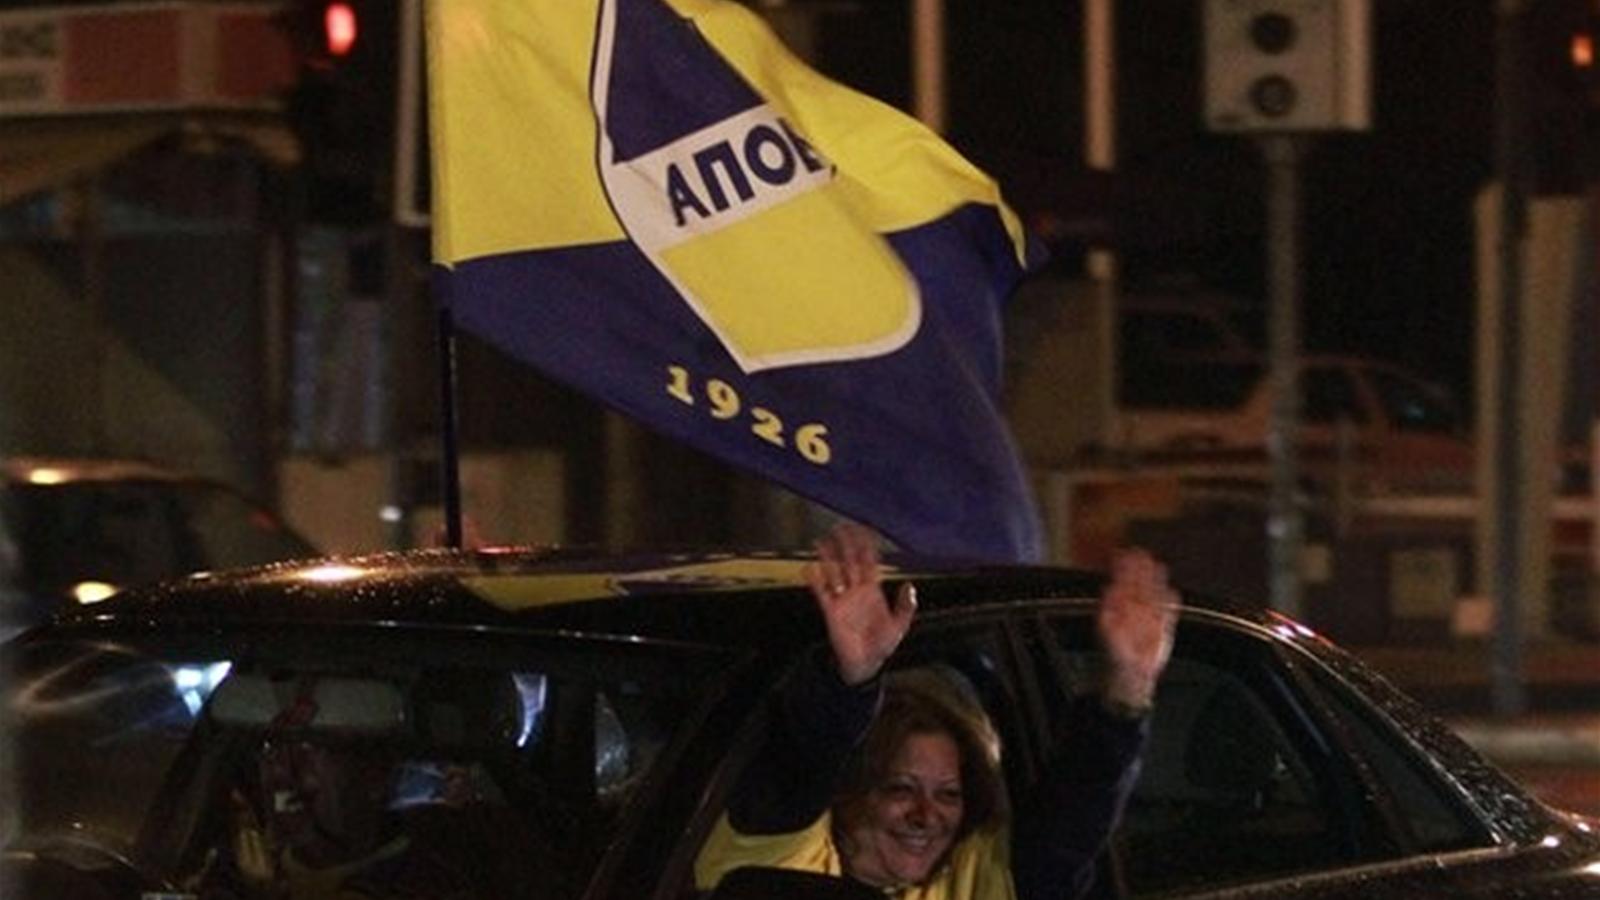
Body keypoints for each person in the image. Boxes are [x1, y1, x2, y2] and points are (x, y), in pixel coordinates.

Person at [695, 523, 1178, 900]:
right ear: (852, 793)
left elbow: (1075, 814)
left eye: (948, 795)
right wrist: (850, 679)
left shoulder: (975, 877)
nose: (926, 816)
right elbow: (802, 762)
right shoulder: (781, 858)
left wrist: (1128, 687)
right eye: (901, 788)